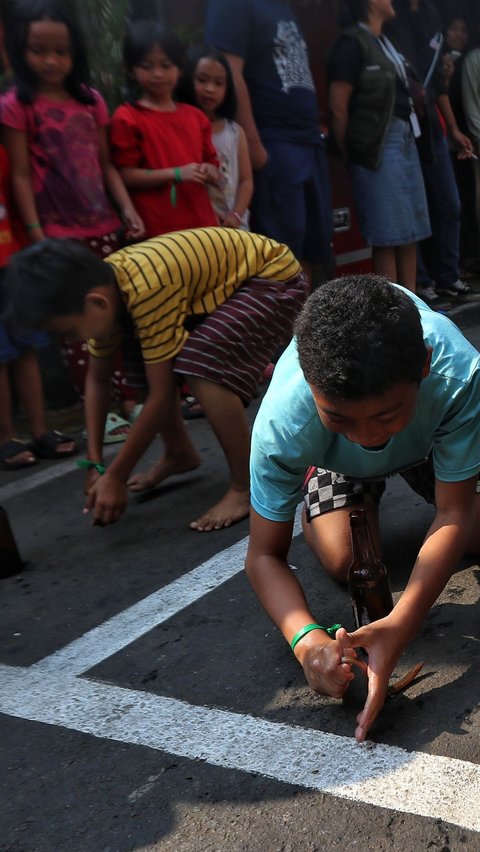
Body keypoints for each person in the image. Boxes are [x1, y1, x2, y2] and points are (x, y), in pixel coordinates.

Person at [246, 274, 480, 742]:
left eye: (384, 415)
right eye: (338, 417)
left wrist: (401, 623)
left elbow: (455, 512)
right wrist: (308, 644)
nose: (367, 436)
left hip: (428, 438)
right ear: (309, 385)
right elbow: (264, 556)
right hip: (337, 460)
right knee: (345, 560)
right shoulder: (283, 425)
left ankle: (399, 437)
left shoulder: (458, 375)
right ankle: (323, 473)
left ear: (425, 368)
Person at [2, 228, 308, 530]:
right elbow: (97, 380)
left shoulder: (147, 287)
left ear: (97, 303)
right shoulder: (108, 296)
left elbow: (161, 396)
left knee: (201, 363)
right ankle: (179, 453)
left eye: (68, 332)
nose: (69, 342)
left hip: (273, 278)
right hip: (223, 289)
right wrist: (96, 465)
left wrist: (117, 476)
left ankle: (246, 487)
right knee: (141, 358)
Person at [1, 0, 145, 443]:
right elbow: (20, 173)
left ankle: (127, 399)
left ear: (74, 52)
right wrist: (39, 235)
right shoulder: (14, 106)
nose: (50, 60)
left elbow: (106, 166)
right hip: (57, 233)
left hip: (103, 224)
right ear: (19, 50)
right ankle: (96, 409)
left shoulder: (91, 100)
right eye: (38, 50)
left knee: (113, 313)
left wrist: (126, 209)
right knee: (74, 328)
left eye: (60, 51)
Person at [205, 0, 333, 282]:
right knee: (284, 251)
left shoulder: (282, 8)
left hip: (307, 140)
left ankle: (304, 325)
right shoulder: (233, 6)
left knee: (310, 248)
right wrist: (253, 144)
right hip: (274, 139)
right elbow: (229, 71)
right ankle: (287, 325)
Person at [327, 0, 431, 291]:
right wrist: (355, 153)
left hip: (405, 137)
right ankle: (392, 312)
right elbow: (338, 108)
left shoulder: (386, 40)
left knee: (409, 232)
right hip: (377, 144)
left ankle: (414, 309)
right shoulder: (350, 43)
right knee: (387, 235)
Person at [385, 0, 475, 302]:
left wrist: (453, 128)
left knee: (450, 202)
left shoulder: (431, 14)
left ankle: (448, 276)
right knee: (414, 207)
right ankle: (422, 282)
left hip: (432, 125)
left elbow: (437, 84)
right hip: (402, 122)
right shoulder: (390, 15)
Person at [0, 143, 75, 470]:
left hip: (11, 258)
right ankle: (5, 438)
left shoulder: (3, 151)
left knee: (27, 346)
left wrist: (30, 248)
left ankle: (40, 431)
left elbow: (14, 199)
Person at [109, 21, 220, 240]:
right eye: (147, 66)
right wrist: (177, 173)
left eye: (166, 65)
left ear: (179, 68)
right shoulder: (127, 117)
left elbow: (212, 164)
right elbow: (127, 174)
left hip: (203, 225)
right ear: (131, 70)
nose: (157, 74)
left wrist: (210, 171)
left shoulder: (196, 117)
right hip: (157, 230)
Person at [179, 45, 253, 230]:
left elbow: (246, 181)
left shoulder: (235, 132)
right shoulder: (180, 129)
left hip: (235, 227)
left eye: (219, 83)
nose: (210, 89)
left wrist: (235, 214)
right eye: (202, 80)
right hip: (197, 227)